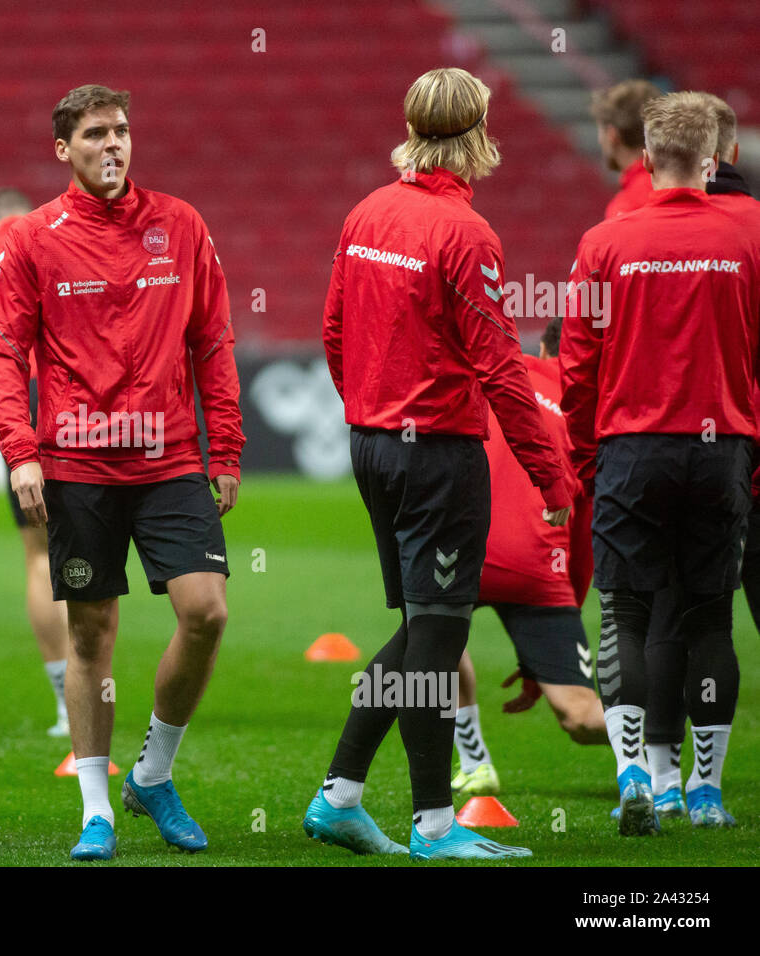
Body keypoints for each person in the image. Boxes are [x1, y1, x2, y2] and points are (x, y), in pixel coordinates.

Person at [313, 67, 576, 861]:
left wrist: (370, 405)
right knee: (435, 634)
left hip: (374, 445)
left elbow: (332, 328)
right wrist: (551, 476)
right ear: (479, 129)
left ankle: (341, 798)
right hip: (437, 456)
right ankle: (434, 826)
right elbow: (500, 366)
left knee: (420, 630)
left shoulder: (368, 211)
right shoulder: (466, 234)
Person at [0, 84, 244, 861]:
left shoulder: (181, 223)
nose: (113, 143)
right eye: (96, 133)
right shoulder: (33, 238)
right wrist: (20, 449)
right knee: (92, 632)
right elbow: (6, 352)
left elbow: (213, 340)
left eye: (123, 130)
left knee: (207, 613)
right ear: (63, 149)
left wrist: (224, 447)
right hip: (76, 462)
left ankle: (153, 773)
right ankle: (96, 808)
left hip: (168, 457)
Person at [561, 91, 760, 834]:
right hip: (723, 453)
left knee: (627, 617)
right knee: (710, 619)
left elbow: (578, 365)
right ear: (714, 159)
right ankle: (705, 794)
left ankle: (637, 776)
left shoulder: (606, 242)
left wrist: (584, 456)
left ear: (645, 159)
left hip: (631, 449)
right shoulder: (752, 236)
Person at [451, 317, 606, 799]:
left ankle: (474, 760)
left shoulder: (500, 370)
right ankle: (654, 751)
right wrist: (560, 621)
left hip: (464, 548)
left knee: (432, 634)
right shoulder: (591, 418)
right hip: (542, 567)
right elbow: (584, 535)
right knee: (580, 715)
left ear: (542, 345)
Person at [0, 187, 71, 738]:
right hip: (66, 393)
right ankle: (96, 686)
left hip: (9, 392)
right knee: (88, 543)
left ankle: (64, 700)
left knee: (38, 552)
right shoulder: (47, 241)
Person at [591, 79, 663, 220]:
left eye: (600, 131)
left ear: (612, 135)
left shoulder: (625, 207)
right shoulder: (692, 184)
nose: (600, 140)